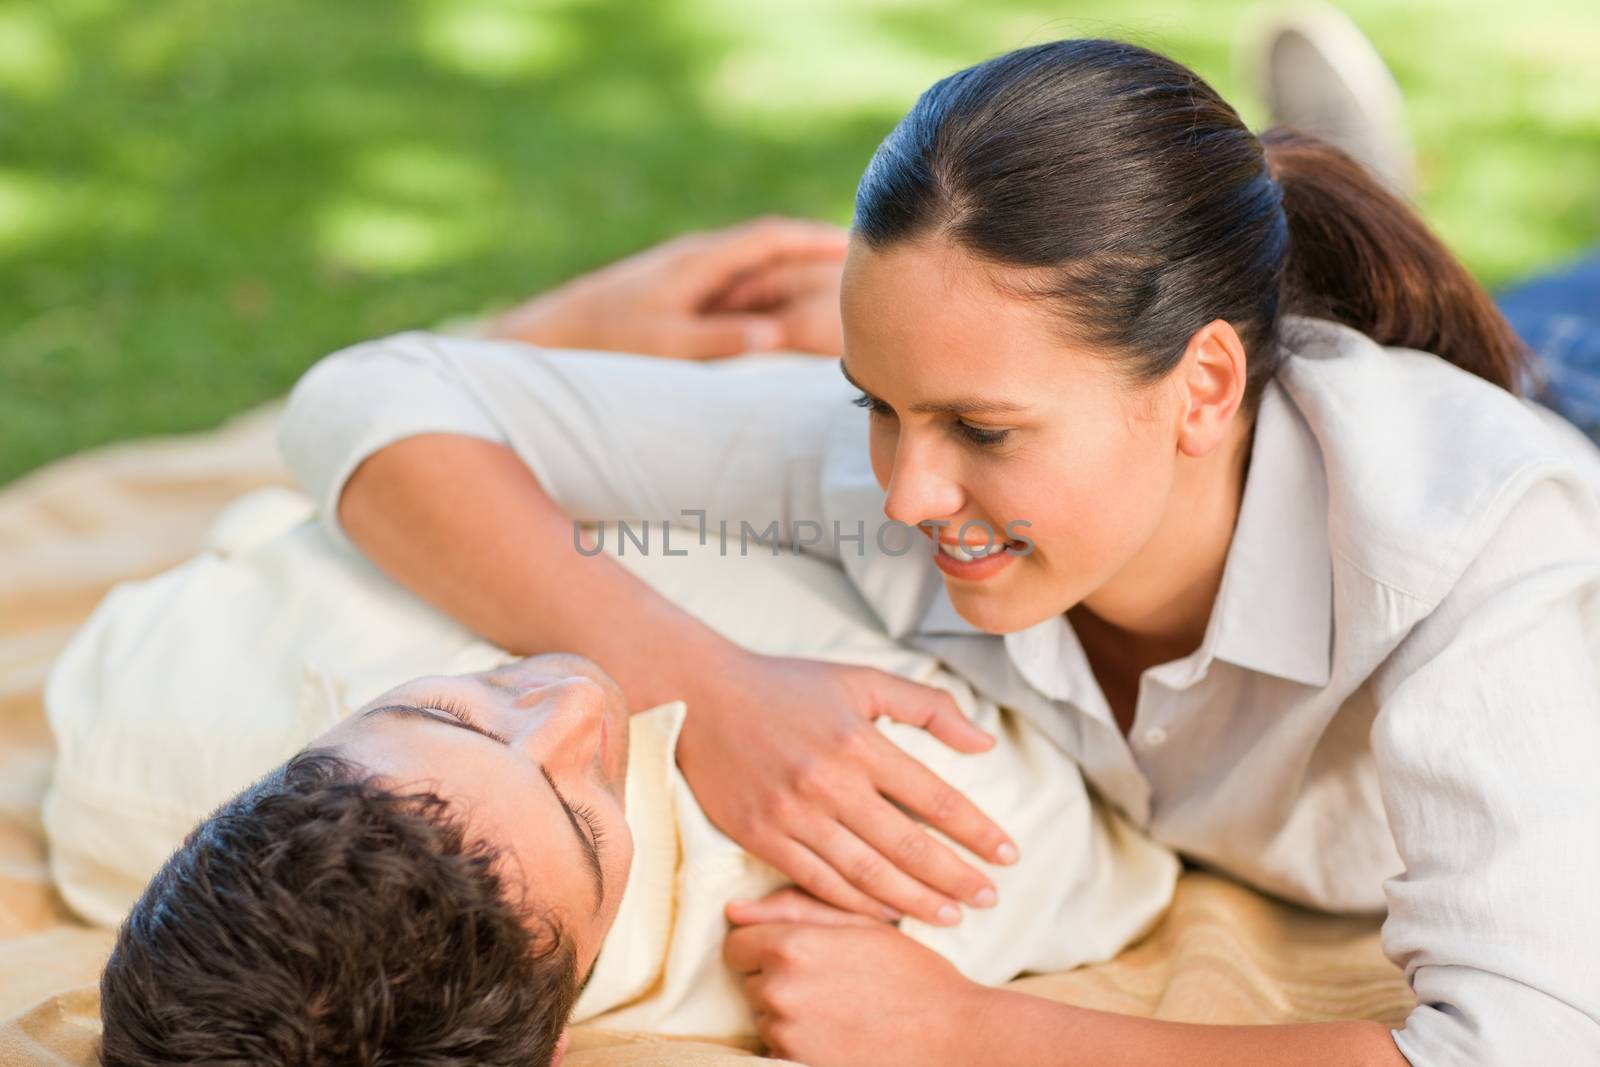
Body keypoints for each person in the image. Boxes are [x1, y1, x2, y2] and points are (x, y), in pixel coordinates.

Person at [270, 36, 1600, 1067]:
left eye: (979, 423)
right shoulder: (887, 468)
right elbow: (368, 399)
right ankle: (1307, 231)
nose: (906, 490)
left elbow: (1529, 1045)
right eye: (874, 396)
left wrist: (973, 1033)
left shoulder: (1484, 558)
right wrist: (708, 684)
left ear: (1204, 389)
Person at [51, 487, 1177, 1064]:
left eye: (443, 705)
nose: (585, 694)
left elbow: (285, 517)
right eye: (586, 811)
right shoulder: (890, 859)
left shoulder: (124, 739)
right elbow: (1134, 823)